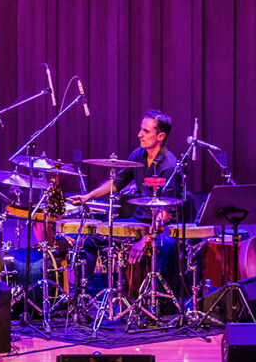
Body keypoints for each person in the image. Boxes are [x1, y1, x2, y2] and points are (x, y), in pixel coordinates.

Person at [69, 109, 189, 302]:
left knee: (165, 247)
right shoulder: (138, 155)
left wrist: (148, 238)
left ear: (161, 136)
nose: (139, 135)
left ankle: (157, 302)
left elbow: (166, 213)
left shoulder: (169, 165)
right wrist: (87, 197)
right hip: (139, 222)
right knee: (89, 237)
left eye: (145, 131)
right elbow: (117, 183)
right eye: (141, 130)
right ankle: (84, 298)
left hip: (163, 227)